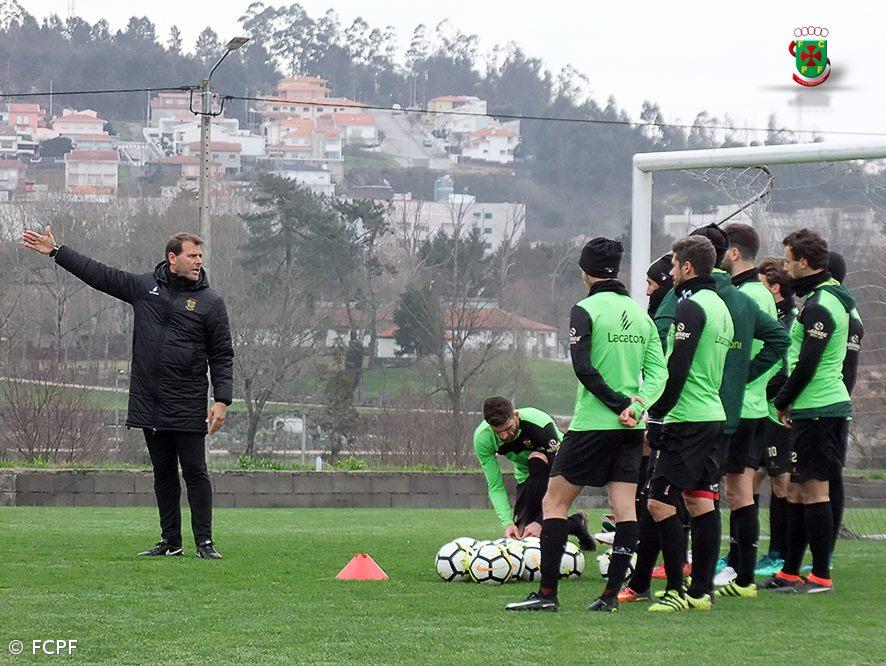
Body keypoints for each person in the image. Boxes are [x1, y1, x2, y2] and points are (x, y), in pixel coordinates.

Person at [22, 227, 234, 559]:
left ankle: (204, 543)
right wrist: (56, 251)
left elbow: (222, 355)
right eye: (192, 255)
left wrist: (222, 400)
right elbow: (99, 274)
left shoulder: (210, 302)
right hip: (150, 400)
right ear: (172, 257)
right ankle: (171, 543)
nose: (198, 261)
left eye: (200, 256)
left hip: (188, 401)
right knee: (163, 473)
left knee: (195, 472)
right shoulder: (143, 287)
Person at [506, 237, 666, 612]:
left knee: (554, 502)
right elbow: (659, 373)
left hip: (593, 424)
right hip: (630, 429)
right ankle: (610, 596)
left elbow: (584, 369)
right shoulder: (642, 315)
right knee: (625, 508)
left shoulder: (585, 309)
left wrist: (618, 404)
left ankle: (547, 595)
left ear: (584, 271)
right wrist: (637, 406)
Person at [645, 236, 733, 612]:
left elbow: (677, 370)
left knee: (659, 502)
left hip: (687, 418)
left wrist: (657, 414)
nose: (671, 273)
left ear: (687, 268)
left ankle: (676, 590)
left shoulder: (691, 307)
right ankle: (701, 592)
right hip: (711, 415)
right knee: (701, 503)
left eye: (675, 265)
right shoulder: (721, 308)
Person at [766, 229, 854, 594]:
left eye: (787, 261)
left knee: (816, 491)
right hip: (812, 408)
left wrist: (781, 400)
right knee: (800, 491)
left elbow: (808, 366)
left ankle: (820, 575)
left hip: (821, 409)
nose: (784, 268)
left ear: (803, 262)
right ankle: (789, 570)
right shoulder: (822, 296)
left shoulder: (822, 305)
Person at [715, 223, 782, 596]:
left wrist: (742, 379)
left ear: (734, 253)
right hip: (751, 406)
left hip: (742, 408)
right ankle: (738, 569)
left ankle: (742, 576)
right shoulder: (754, 291)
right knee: (738, 490)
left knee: (738, 492)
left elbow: (774, 347)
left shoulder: (750, 294)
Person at [473, 397, 594, 547]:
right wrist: (507, 523)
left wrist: (540, 521)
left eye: (508, 429)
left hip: (561, 468)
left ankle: (551, 524)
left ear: (516, 416)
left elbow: (560, 474)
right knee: (523, 535)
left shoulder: (540, 424)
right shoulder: (482, 438)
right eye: (498, 432)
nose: (504, 436)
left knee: (536, 458)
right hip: (527, 476)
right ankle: (575, 524)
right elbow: (495, 486)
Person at [752, 257, 797, 576]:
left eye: (762, 285)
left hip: (779, 409)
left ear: (775, 288)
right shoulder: (773, 315)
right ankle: (746, 551)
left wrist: (784, 401)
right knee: (750, 479)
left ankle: (780, 553)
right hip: (761, 407)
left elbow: (788, 364)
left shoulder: (792, 319)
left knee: (782, 483)